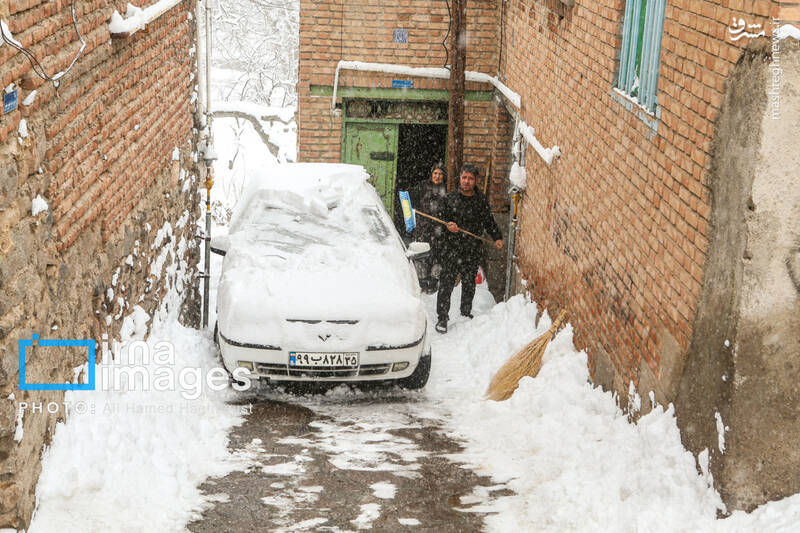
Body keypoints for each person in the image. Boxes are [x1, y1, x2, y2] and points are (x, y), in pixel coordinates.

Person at [435, 164, 503, 333]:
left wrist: (497, 237)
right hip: (451, 249)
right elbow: (439, 221)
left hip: (472, 249)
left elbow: (489, 221)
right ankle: (442, 318)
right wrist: (447, 226)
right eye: (464, 177)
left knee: (469, 283)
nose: (466, 181)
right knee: (446, 284)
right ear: (460, 178)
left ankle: (465, 312)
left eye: (470, 178)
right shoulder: (450, 199)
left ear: (476, 180)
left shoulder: (480, 201)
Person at [409, 163, 447, 293]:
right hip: (423, 227)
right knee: (422, 254)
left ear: (444, 176)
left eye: (440, 174)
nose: (437, 176)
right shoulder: (423, 187)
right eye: (435, 173)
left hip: (439, 229)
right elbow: (411, 201)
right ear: (431, 174)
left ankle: (434, 281)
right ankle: (422, 281)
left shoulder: (446, 190)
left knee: (437, 254)